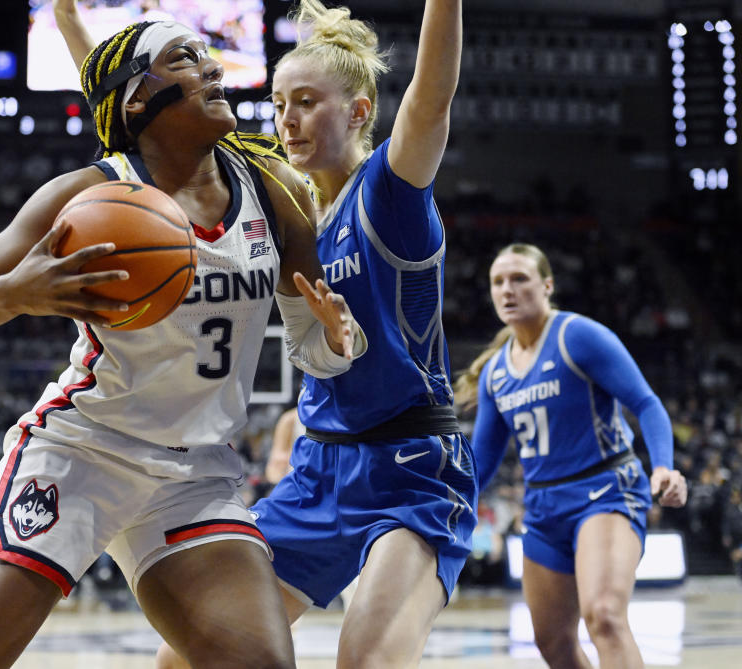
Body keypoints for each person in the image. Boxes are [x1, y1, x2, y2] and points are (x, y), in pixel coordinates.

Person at [0, 14, 365, 669]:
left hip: (195, 472)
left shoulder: (273, 193)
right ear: (138, 99)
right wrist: (14, 294)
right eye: (184, 58)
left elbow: (315, 350)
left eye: (208, 57)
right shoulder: (87, 195)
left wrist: (338, 337)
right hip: (82, 452)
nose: (211, 68)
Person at [53, 0, 476, 664]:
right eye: (279, 104)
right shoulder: (280, 204)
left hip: (410, 468)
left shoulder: (388, 193)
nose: (287, 119)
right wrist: (67, 17)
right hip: (317, 470)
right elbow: (153, 125)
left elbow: (432, 97)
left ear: (360, 112)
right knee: (185, 657)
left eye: (306, 102)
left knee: (365, 659)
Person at [454, 243, 688, 669]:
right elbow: (482, 462)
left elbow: (646, 403)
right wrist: (449, 505)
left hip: (606, 491)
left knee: (605, 618)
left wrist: (665, 466)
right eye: (498, 282)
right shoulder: (495, 374)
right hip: (543, 508)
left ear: (547, 285)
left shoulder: (577, 336)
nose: (507, 290)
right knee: (552, 644)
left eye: (520, 278)